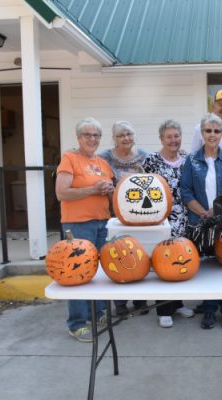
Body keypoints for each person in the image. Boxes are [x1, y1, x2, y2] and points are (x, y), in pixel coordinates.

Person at [181, 113, 222, 329]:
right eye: (208, 130)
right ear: (202, 134)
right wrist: (203, 213)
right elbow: (186, 191)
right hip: (200, 223)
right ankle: (208, 309)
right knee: (206, 267)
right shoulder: (191, 160)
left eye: (216, 131)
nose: (212, 134)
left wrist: (218, 211)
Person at [55, 117, 113, 342]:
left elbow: (107, 190)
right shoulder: (69, 159)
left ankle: (96, 312)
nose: (92, 139)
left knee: (98, 271)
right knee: (76, 272)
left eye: (96, 135)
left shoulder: (102, 162)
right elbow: (62, 193)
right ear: (79, 138)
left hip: (102, 222)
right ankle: (77, 323)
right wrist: (92, 189)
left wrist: (110, 188)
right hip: (78, 224)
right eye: (87, 135)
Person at [140, 119, 195, 328]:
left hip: (184, 219)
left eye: (177, 136)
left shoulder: (187, 159)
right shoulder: (151, 161)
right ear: (161, 138)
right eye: (169, 136)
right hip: (161, 220)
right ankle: (163, 309)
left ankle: (178, 304)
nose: (173, 140)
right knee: (163, 263)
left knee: (180, 260)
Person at [99, 121, 149, 317]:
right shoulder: (105, 158)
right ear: (114, 138)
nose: (126, 138)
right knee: (119, 256)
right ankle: (120, 303)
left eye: (128, 134)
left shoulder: (143, 156)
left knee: (139, 255)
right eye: (121, 135)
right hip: (115, 215)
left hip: (142, 215)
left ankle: (140, 300)